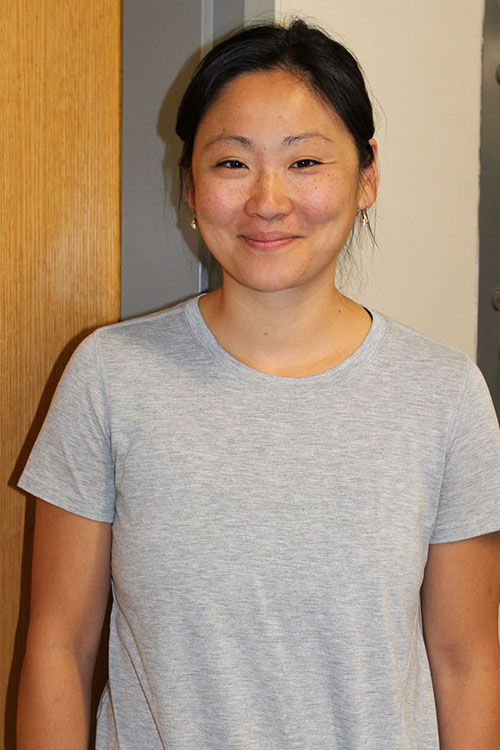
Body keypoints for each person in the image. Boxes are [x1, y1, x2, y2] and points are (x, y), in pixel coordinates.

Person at [17, 19, 500, 750]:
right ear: (190, 185)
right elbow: (57, 645)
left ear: (367, 174)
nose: (268, 199)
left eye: (305, 162)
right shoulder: (111, 377)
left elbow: (467, 663)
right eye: (232, 163)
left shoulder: (445, 396)